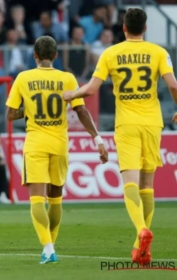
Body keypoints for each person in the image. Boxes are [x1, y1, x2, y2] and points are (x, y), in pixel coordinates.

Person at [63, 8, 177, 265]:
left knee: (130, 184)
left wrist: (72, 95)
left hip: (127, 124)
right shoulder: (159, 52)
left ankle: (140, 231)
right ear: (145, 28)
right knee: (148, 186)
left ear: (123, 28)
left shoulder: (110, 53)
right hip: (152, 123)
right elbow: (173, 85)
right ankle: (141, 247)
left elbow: (92, 89)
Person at [6, 36, 108, 264]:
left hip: (35, 144)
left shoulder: (23, 78)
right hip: (60, 144)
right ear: (55, 56)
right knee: (55, 199)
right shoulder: (68, 78)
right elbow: (81, 111)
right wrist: (98, 139)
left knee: (36, 200)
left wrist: (29, 109)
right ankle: (50, 247)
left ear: (34, 55)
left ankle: (48, 247)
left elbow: (10, 115)